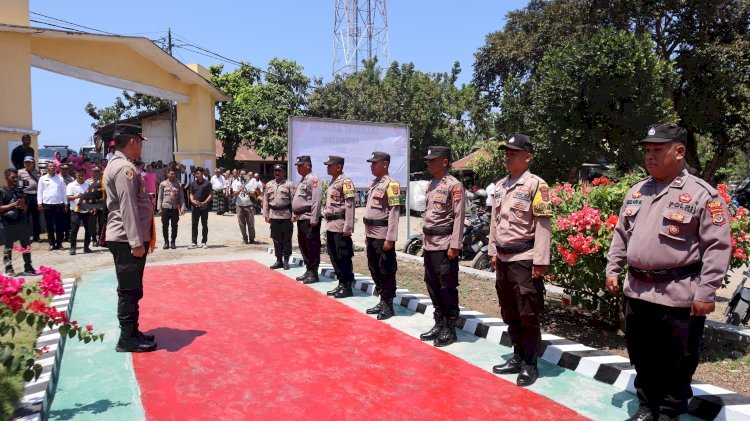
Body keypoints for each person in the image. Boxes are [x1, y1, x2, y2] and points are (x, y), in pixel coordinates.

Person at [605, 124, 731, 421]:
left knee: (677, 362)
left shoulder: (703, 195)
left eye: (657, 150)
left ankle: (668, 412)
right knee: (642, 355)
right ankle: (647, 406)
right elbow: (621, 234)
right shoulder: (637, 190)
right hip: (637, 290)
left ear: (679, 152)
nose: (650, 156)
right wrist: (613, 266)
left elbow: (717, 246)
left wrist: (707, 291)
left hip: (678, 296)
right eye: (647, 151)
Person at [488, 134, 552, 387]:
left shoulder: (538, 186)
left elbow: (543, 226)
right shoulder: (501, 186)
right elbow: (495, 222)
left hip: (525, 260)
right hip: (503, 258)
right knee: (510, 312)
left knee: (527, 313)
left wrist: (541, 260)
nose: (507, 156)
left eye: (513, 153)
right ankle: (516, 356)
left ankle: (529, 363)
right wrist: (492, 251)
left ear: (528, 157)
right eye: (506, 152)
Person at [104, 123, 157, 353]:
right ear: (133, 141)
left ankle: (132, 331)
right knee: (128, 289)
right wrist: (136, 242)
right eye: (141, 141)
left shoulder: (119, 165)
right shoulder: (124, 168)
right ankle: (126, 339)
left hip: (128, 238)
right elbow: (128, 207)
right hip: (127, 240)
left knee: (133, 288)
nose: (142, 146)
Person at [419, 146, 465, 347]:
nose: (429, 163)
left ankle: (450, 327)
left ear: (444, 162)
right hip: (430, 244)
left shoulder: (454, 185)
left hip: (445, 244)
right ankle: (439, 322)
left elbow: (458, 217)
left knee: (446, 286)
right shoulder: (431, 184)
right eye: (428, 160)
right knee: (432, 284)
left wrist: (455, 245)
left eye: (432, 160)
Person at [362, 151, 401, 320]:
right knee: (374, 268)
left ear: (384, 164)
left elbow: (394, 211)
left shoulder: (391, 185)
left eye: (374, 163)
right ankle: (381, 299)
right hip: (371, 234)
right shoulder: (374, 184)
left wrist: (390, 238)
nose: (371, 166)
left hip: (383, 235)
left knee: (386, 270)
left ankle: (388, 304)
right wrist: (366, 234)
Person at [322, 156, 356, 298]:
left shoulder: (345, 182)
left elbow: (350, 205)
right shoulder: (332, 182)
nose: (328, 167)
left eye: (331, 165)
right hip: (331, 225)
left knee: (343, 256)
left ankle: (347, 286)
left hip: (341, 226)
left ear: (339, 167)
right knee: (333, 255)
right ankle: (341, 283)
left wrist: (348, 227)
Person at [291, 155, 322, 283]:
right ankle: (308, 270)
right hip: (301, 217)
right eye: (297, 166)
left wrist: (314, 218)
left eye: (300, 165)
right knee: (304, 245)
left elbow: (316, 200)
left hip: (310, 218)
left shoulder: (313, 179)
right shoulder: (303, 180)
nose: (298, 168)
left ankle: (314, 273)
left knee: (312, 246)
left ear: (307, 165)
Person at [0, 168, 36, 276]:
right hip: (7, 222)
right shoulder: (2, 191)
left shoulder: (19, 191)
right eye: (13, 177)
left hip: (21, 220)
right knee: (8, 246)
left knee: (26, 245)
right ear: (6, 177)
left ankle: (28, 266)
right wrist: (13, 205)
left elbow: (25, 207)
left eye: (17, 177)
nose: (15, 179)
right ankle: (8, 268)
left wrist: (23, 206)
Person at [263, 164, 294, 270]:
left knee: (286, 239)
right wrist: (266, 215)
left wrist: (294, 215)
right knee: (276, 239)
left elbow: (293, 201)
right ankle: (278, 260)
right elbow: (265, 201)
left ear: (284, 172)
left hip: (286, 215)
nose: (277, 172)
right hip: (274, 215)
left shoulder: (289, 184)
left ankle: (286, 260)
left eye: (279, 170)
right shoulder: (269, 184)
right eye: (275, 170)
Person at [37, 162, 67, 251]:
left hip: (59, 204)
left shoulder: (60, 179)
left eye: (53, 166)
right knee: (49, 226)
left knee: (59, 225)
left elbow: (64, 192)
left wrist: (65, 204)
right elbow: (40, 191)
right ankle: (51, 244)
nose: (52, 167)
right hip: (47, 205)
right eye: (50, 166)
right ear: (47, 168)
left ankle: (59, 243)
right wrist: (39, 203)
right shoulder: (42, 179)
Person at [66, 168, 93, 255]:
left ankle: (86, 247)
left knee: (88, 229)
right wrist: (77, 197)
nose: (80, 176)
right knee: (74, 230)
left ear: (85, 175)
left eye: (82, 175)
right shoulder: (71, 185)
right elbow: (68, 198)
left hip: (86, 210)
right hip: (75, 210)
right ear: (76, 175)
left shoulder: (88, 185)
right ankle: (73, 248)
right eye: (79, 175)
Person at [157, 168, 184, 250]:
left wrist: (182, 208)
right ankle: (166, 242)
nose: (173, 175)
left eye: (174, 174)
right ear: (167, 174)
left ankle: (173, 242)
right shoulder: (163, 184)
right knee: (165, 226)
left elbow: (181, 197)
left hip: (175, 208)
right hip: (165, 208)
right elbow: (160, 197)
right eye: (171, 174)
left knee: (174, 226)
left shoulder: (178, 185)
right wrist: (159, 208)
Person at [17, 156, 41, 242]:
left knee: (36, 217)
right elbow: (19, 186)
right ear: (24, 163)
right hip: (25, 196)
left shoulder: (37, 171)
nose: (28, 164)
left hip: (35, 196)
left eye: (30, 162)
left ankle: (36, 236)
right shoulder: (20, 172)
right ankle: (25, 236)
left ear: (33, 163)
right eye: (26, 162)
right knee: (25, 218)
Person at [188, 167, 212, 249]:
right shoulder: (193, 183)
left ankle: (204, 242)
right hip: (195, 206)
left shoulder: (208, 183)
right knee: (194, 224)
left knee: (204, 224)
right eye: (195, 174)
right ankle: (194, 242)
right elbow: (191, 194)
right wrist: (192, 201)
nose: (196, 175)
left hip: (204, 206)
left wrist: (205, 202)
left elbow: (211, 195)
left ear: (202, 174)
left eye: (198, 173)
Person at [232, 170, 256, 244]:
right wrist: (239, 190)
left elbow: (254, 193)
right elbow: (234, 194)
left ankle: (252, 239)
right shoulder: (235, 182)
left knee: (251, 223)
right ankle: (245, 238)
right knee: (241, 224)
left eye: (244, 174)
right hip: (239, 205)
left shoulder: (250, 182)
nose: (243, 176)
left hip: (249, 205)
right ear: (239, 174)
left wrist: (247, 191)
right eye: (241, 174)